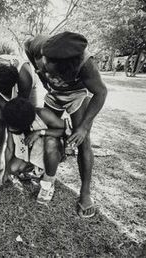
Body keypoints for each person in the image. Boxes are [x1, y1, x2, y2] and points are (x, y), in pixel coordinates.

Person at [24, 31, 108, 218]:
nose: (45, 73)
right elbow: (26, 45)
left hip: (77, 96)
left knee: (82, 140)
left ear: (67, 67)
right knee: (48, 135)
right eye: (42, 67)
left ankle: (85, 192)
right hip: (53, 96)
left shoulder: (86, 64)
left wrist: (84, 126)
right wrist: (46, 81)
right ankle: (48, 175)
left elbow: (101, 92)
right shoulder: (37, 46)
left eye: (50, 70)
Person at [3, 98, 70, 203]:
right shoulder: (12, 118)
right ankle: (38, 170)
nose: (11, 130)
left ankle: (48, 182)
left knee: (50, 141)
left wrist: (40, 132)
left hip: (52, 150)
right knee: (13, 168)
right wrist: (6, 172)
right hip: (30, 152)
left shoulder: (43, 114)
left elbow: (67, 131)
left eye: (15, 129)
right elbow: (9, 148)